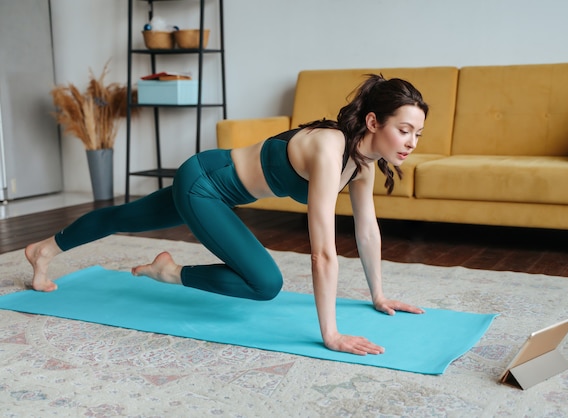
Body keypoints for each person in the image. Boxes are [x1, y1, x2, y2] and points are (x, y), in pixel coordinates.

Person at [25, 74, 428, 356]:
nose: (411, 142)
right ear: (374, 122)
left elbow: (367, 231)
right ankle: (168, 273)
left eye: (417, 135)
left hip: (214, 188)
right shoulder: (329, 147)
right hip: (203, 182)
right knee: (266, 282)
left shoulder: (361, 164)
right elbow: (322, 253)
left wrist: (377, 295)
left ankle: (43, 250)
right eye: (405, 130)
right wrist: (331, 334)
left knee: (124, 217)